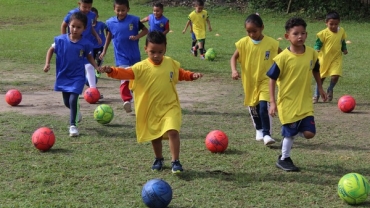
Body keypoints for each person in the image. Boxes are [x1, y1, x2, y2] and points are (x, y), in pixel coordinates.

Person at [99, 31, 203, 174]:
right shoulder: (140, 67)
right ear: (145, 49)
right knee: (156, 135)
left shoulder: (170, 63)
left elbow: (181, 74)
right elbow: (125, 73)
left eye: (160, 52)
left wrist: (192, 75)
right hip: (151, 108)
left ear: (165, 49)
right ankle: (159, 158)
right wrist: (111, 70)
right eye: (152, 52)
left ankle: (175, 161)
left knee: (173, 131)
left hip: (170, 106)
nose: (156, 55)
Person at [267, 17, 328, 171]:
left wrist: (320, 88)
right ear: (287, 36)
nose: (300, 36)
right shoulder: (282, 58)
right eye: (295, 34)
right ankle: (284, 158)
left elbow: (315, 69)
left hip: (305, 101)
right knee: (289, 133)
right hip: (287, 102)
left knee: (309, 133)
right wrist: (273, 102)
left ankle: (291, 134)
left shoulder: (312, 54)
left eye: (303, 33)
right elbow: (272, 79)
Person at [44, 12, 100, 137]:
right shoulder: (61, 40)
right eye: (73, 26)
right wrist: (47, 63)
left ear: (84, 29)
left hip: (77, 76)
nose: (75, 29)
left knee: (73, 99)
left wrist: (96, 66)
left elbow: (89, 56)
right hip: (63, 75)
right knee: (66, 101)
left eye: (78, 27)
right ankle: (76, 112)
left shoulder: (85, 43)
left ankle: (73, 126)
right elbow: (51, 49)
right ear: (69, 25)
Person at [230, 14, 282, 146]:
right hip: (249, 81)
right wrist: (234, 70)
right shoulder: (243, 43)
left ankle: (266, 134)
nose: (252, 34)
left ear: (262, 28)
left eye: (254, 31)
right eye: (249, 31)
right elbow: (233, 58)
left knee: (264, 106)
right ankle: (258, 128)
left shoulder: (271, 43)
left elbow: (283, 57)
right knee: (253, 106)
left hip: (266, 80)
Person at [99, 0, 148, 113]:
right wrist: (104, 50)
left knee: (136, 79)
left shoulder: (134, 20)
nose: (121, 12)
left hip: (134, 55)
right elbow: (108, 36)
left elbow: (146, 30)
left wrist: (137, 36)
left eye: (123, 10)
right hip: (121, 56)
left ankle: (140, 101)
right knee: (124, 77)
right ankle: (127, 100)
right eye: (118, 10)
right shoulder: (110, 23)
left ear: (128, 9)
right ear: (114, 9)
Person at [61, 0, 103, 98]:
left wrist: (96, 35)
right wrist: (65, 40)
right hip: (74, 43)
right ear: (79, 3)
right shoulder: (72, 14)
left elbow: (90, 27)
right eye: (84, 7)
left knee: (89, 65)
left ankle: (93, 90)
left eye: (89, 7)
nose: (87, 9)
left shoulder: (92, 15)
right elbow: (63, 25)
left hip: (86, 44)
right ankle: (72, 90)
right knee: (75, 67)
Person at [313, 11, 348, 103]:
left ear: (339, 23)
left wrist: (344, 48)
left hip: (336, 57)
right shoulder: (322, 33)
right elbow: (317, 44)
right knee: (321, 78)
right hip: (324, 58)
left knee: (335, 76)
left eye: (336, 24)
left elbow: (342, 41)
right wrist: (317, 49)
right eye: (331, 24)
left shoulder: (341, 31)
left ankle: (330, 89)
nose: (333, 26)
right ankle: (316, 95)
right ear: (326, 22)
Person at [91, 7, 107, 79]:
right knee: (91, 60)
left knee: (99, 58)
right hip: (91, 46)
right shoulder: (87, 26)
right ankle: (91, 72)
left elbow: (108, 29)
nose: (93, 17)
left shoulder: (101, 24)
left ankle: (98, 69)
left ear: (97, 16)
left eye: (95, 16)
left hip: (99, 46)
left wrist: (107, 36)